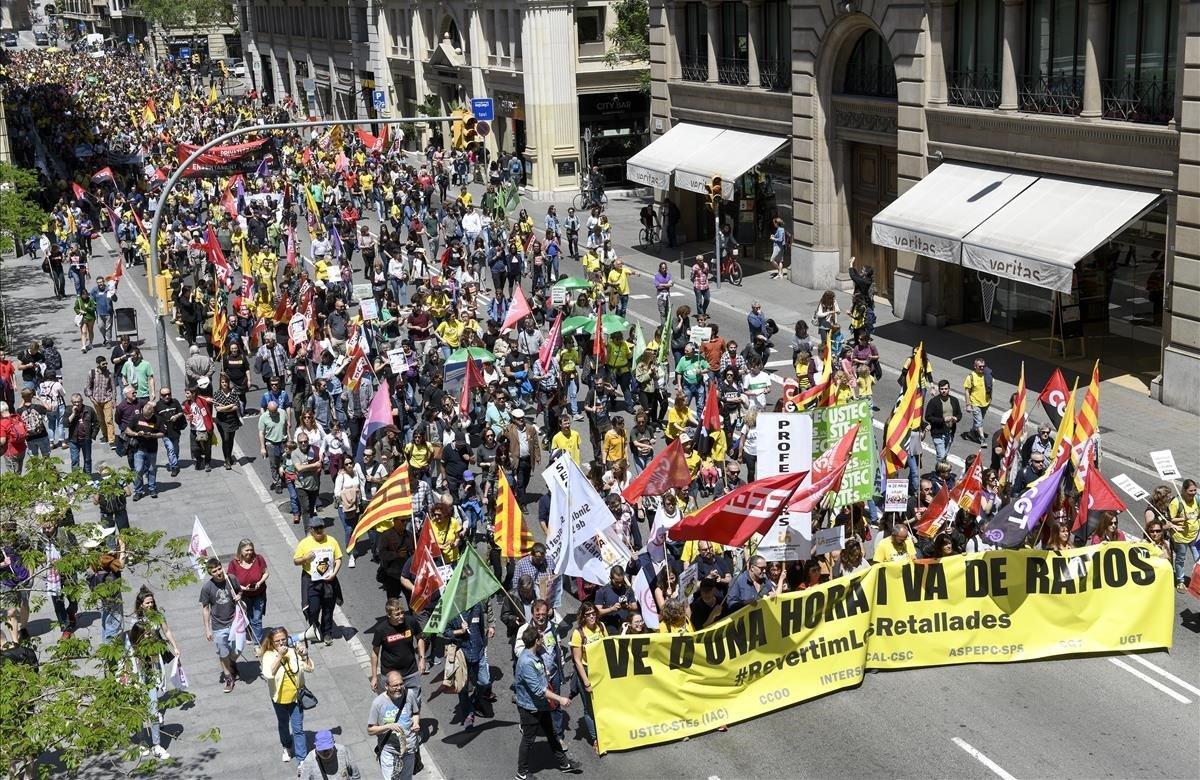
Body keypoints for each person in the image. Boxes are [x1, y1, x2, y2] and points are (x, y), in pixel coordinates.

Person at [514, 626, 582, 780]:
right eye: (540, 637)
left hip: (541, 705)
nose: (543, 638)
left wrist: (545, 673)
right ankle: (522, 773)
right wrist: (560, 699)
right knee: (528, 740)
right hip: (530, 708)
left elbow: (538, 676)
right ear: (536, 641)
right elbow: (539, 690)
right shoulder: (526, 661)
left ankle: (564, 764)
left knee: (551, 734)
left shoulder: (534, 655)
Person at [261, 625, 313, 768]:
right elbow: (268, 674)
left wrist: (304, 655)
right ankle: (287, 746)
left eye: (283, 640)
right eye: (277, 641)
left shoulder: (292, 652)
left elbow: (309, 668)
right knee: (283, 724)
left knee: (298, 729)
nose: (281, 643)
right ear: (272, 642)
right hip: (279, 698)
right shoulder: (268, 656)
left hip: (296, 697)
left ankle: (302, 759)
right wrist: (279, 656)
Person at [293, 517, 343, 645]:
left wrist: (334, 573)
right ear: (311, 530)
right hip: (311, 581)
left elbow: (338, 559)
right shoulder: (304, 543)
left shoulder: (331, 541)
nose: (319, 531)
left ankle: (327, 633)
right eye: (316, 529)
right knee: (313, 609)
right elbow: (296, 561)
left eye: (321, 527)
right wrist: (305, 558)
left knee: (328, 608)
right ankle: (314, 627)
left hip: (328, 581)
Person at [198, 556, 242, 693]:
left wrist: (239, 595)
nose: (218, 573)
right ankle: (228, 677)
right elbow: (205, 609)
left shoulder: (231, 578)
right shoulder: (207, 588)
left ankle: (231, 663)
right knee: (223, 653)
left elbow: (239, 590)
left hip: (235, 621)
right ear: (210, 574)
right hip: (218, 625)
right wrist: (207, 629)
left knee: (237, 650)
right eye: (214, 571)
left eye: (219, 569)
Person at [368, 671, 421, 780]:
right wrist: (388, 726)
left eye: (401, 684)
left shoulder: (409, 694)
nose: (399, 688)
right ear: (386, 686)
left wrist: (416, 723)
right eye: (395, 685)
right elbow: (370, 730)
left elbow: (415, 713)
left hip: (408, 749)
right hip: (389, 751)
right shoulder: (378, 703)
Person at [568, 601, 606, 754]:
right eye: (588, 614)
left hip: (601, 670)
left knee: (602, 703)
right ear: (583, 616)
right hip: (587, 671)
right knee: (589, 708)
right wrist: (586, 681)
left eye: (593, 613)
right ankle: (595, 739)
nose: (591, 616)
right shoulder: (578, 633)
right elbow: (577, 660)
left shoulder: (601, 627)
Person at [226, 539, 269, 651]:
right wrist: (241, 588)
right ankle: (250, 633)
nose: (249, 552)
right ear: (240, 551)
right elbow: (230, 580)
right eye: (246, 550)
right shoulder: (233, 564)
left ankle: (257, 643)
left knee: (257, 618)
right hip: (243, 596)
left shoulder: (258, 559)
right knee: (247, 617)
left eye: (251, 550)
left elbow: (266, 573)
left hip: (258, 594)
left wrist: (259, 583)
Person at [1167, 478, 1199, 591]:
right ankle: (1180, 580)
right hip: (1180, 538)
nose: (1194, 493)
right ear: (1184, 491)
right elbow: (1169, 520)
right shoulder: (1176, 502)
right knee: (1180, 559)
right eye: (1191, 491)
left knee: (1198, 559)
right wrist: (1183, 518)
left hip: (1195, 536)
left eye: (1195, 490)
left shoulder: (1197, 499)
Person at [923, 380, 961, 463]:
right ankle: (939, 474)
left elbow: (959, 414)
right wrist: (943, 420)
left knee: (944, 456)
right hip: (938, 433)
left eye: (946, 389)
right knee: (941, 456)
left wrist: (956, 419)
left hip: (950, 433)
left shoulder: (954, 400)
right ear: (939, 390)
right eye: (942, 389)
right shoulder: (934, 402)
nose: (944, 391)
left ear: (949, 389)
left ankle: (938, 473)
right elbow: (928, 417)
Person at [962, 358, 992, 443]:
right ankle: (982, 438)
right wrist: (968, 404)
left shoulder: (987, 375)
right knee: (979, 421)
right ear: (975, 366)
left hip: (985, 402)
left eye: (983, 366)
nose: (982, 368)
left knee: (979, 420)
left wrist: (990, 399)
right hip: (975, 403)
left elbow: (991, 386)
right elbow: (967, 391)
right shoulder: (970, 377)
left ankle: (971, 433)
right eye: (980, 366)